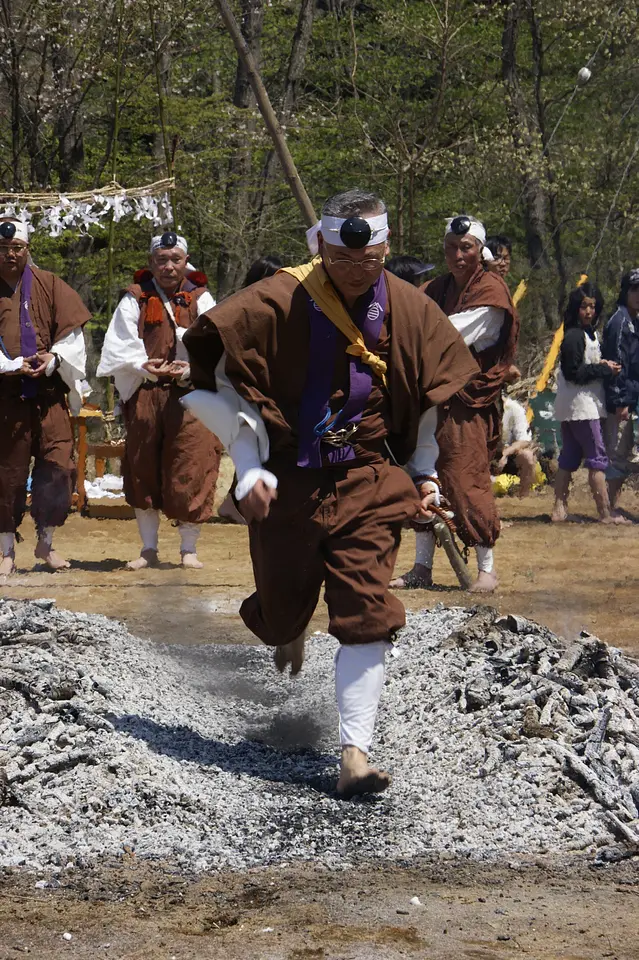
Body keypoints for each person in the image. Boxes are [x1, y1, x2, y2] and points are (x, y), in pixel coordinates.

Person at [182, 189, 478, 798]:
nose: (353, 272)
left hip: (368, 479)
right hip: (288, 479)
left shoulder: (410, 309)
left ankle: (355, 756)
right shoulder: (272, 301)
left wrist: (423, 475)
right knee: (284, 606)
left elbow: (427, 402)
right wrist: (247, 467)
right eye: (340, 262)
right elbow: (217, 386)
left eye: (367, 260)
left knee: (367, 612)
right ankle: (287, 625)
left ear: (385, 247)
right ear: (318, 245)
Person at [391, 215, 518, 593]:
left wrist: (413, 327)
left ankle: (487, 569)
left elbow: (448, 333)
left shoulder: (492, 292)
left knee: (466, 478)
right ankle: (421, 567)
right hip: (432, 396)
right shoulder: (437, 288)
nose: (458, 255)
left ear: (480, 251)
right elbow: (411, 314)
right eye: (451, 247)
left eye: (466, 248)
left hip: (468, 402)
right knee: (423, 474)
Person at [97, 232, 223, 569]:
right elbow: (119, 344)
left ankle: (188, 550)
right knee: (143, 467)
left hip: (192, 393)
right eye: (161, 259)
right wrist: (142, 365)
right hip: (147, 392)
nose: (168, 266)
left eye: (175, 259)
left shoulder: (201, 297)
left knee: (192, 465)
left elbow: (218, 345)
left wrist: (189, 369)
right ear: (151, 262)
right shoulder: (135, 298)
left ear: (185, 260)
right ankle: (148, 549)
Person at [0, 218, 90, 575]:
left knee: (58, 467)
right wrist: (9, 366)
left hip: (49, 394)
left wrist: (53, 359)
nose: (10, 255)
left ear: (27, 249)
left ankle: (46, 542)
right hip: (6, 398)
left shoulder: (50, 284)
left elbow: (71, 339)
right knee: (6, 473)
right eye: (3, 249)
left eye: (17, 248)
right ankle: (5, 550)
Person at [552, 283, 624, 524]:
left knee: (569, 457)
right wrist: (604, 369)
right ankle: (605, 512)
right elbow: (574, 372)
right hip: (582, 407)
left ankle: (559, 509)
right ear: (576, 308)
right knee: (597, 458)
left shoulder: (587, 334)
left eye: (592, 306)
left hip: (574, 407)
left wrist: (600, 364)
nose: (589, 311)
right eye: (584, 306)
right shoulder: (573, 335)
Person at [602, 268, 639, 516]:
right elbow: (616, 364)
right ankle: (608, 509)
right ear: (625, 291)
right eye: (635, 289)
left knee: (629, 455)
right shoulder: (620, 321)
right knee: (618, 456)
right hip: (623, 402)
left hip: (635, 397)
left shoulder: (635, 320)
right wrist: (620, 401)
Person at [497, 386, 537, 498]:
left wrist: (505, 453)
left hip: (509, 453)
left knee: (528, 456)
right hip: (486, 454)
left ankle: (523, 497)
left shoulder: (514, 409)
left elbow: (524, 440)